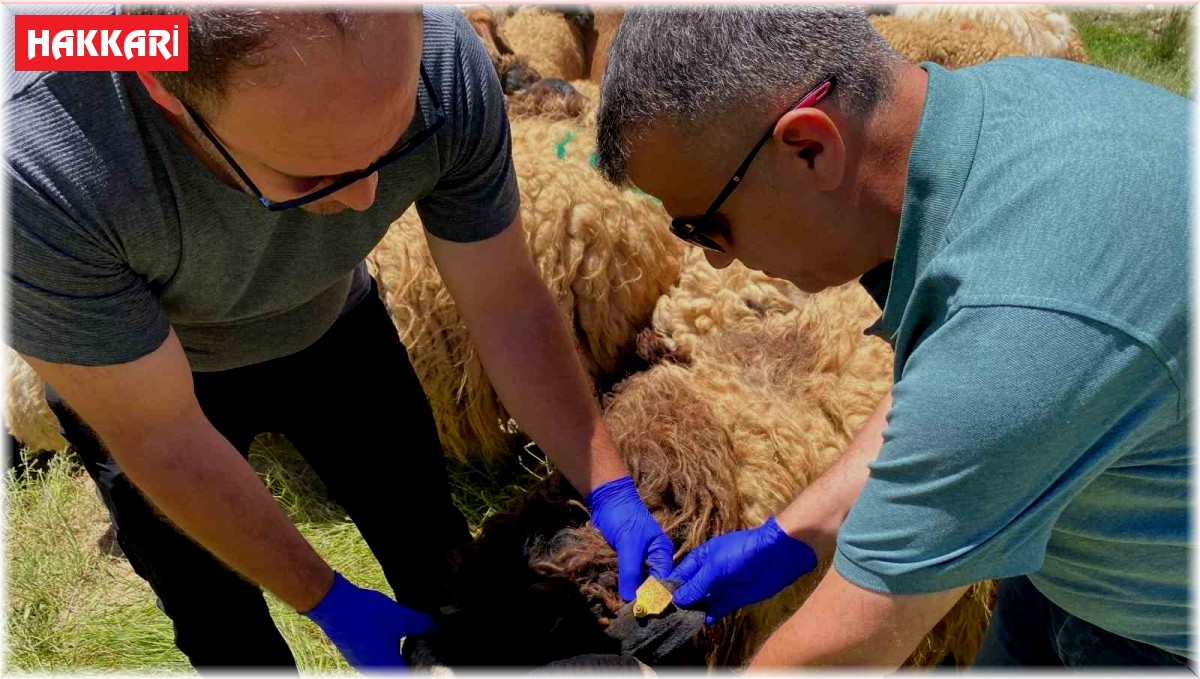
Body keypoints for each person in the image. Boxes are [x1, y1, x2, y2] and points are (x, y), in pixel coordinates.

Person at [6, 5, 672, 671]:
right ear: (162, 87)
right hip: (145, 381)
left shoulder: (441, 58)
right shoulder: (39, 166)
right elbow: (161, 435)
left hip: (336, 332)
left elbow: (505, 298)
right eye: (310, 178)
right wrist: (326, 598)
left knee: (439, 560)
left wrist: (607, 484)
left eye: (395, 143)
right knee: (218, 619)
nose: (366, 201)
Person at [595, 5, 1190, 668]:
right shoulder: (1000, 115)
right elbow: (954, 381)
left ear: (810, 147)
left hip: (1158, 626)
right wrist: (795, 532)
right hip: (1075, 559)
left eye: (705, 226)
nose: (713, 261)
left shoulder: (1026, 316)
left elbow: (847, 646)